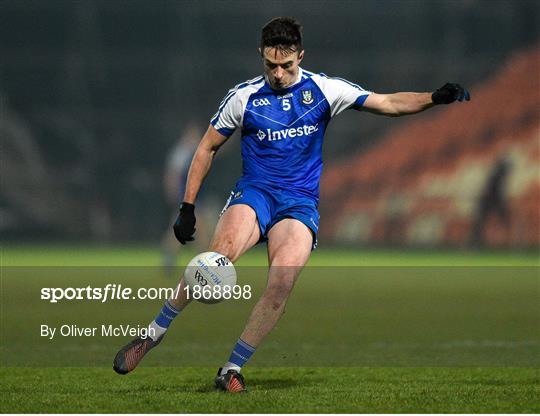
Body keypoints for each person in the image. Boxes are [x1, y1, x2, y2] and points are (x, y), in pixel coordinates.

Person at [113, 16, 470, 392]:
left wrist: (433, 98)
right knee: (216, 261)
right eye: (271, 65)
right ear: (260, 58)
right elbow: (207, 146)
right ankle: (153, 333)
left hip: (299, 204)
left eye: (287, 65)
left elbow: (389, 103)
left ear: (301, 55)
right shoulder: (244, 96)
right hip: (256, 193)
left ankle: (231, 368)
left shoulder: (324, 90)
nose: (279, 73)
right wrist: (188, 207)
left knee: (282, 283)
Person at [161, 122, 201, 274]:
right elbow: (172, 173)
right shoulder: (182, 151)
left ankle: (170, 258)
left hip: (191, 195)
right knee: (187, 227)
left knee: (195, 228)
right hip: (185, 196)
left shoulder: (190, 150)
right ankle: (203, 264)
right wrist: (173, 193)